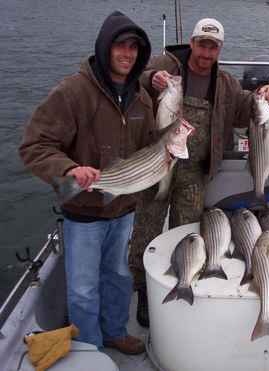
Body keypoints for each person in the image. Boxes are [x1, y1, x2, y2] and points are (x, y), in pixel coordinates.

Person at [19, 11, 156, 354]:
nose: (128, 54)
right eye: (121, 46)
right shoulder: (73, 92)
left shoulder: (141, 97)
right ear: (105, 47)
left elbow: (150, 146)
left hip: (123, 206)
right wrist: (67, 170)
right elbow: (34, 145)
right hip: (82, 212)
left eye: (134, 48)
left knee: (119, 278)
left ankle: (113, 331)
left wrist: (168, 151)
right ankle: (89, 347)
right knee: (82, 289)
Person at [128, 18, 269, 327]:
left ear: (219, 49)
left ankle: (184, 282)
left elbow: (241, 110)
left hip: (195, 171)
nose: (206, 52)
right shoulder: (165, 64)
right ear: (192, 43)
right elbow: (132, 78)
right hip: (159, 164)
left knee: (188, 234)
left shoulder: (224, 82)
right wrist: (151, 78)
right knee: (147, 227)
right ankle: (143, 288)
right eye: (202, 44)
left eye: (213, 47)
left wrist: (261, 95)